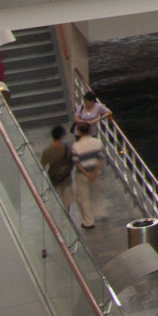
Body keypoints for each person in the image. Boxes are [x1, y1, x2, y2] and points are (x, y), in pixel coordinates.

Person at [67, 87, 111, 230]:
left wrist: (86, 173)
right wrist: (94, 172)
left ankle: (88, 221)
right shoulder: (97, 143)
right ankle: (100, 211)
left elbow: (76, 163)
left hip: (83, 174)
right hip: (94, 172)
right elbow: (99, 158)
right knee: (95, 192)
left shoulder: (76, 146)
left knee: (83, 198)